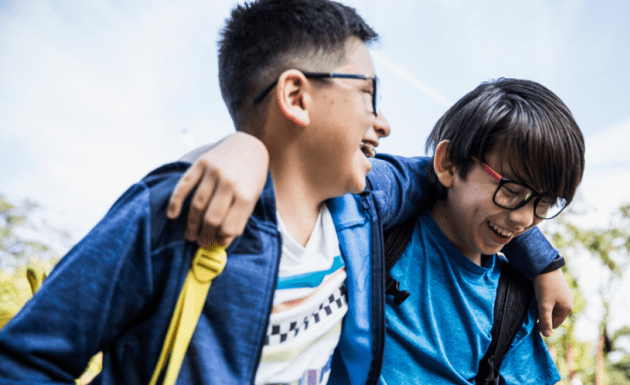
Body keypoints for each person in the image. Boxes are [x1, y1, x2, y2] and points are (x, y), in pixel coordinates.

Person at [0, 2, 568, 385]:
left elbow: (449, 176)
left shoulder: (364, 206)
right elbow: (27, 357)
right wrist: (237, 148)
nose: (384, 123)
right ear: (295, 96)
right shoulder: (177, 213)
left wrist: (540, 256)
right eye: (369, 95)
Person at [380, 78, 584, 384]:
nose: (524, 219)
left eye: (544, 204)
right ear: (448, 163)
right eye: (512, 190)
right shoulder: (376, 239)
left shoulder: (511, 304)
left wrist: (546, 263)